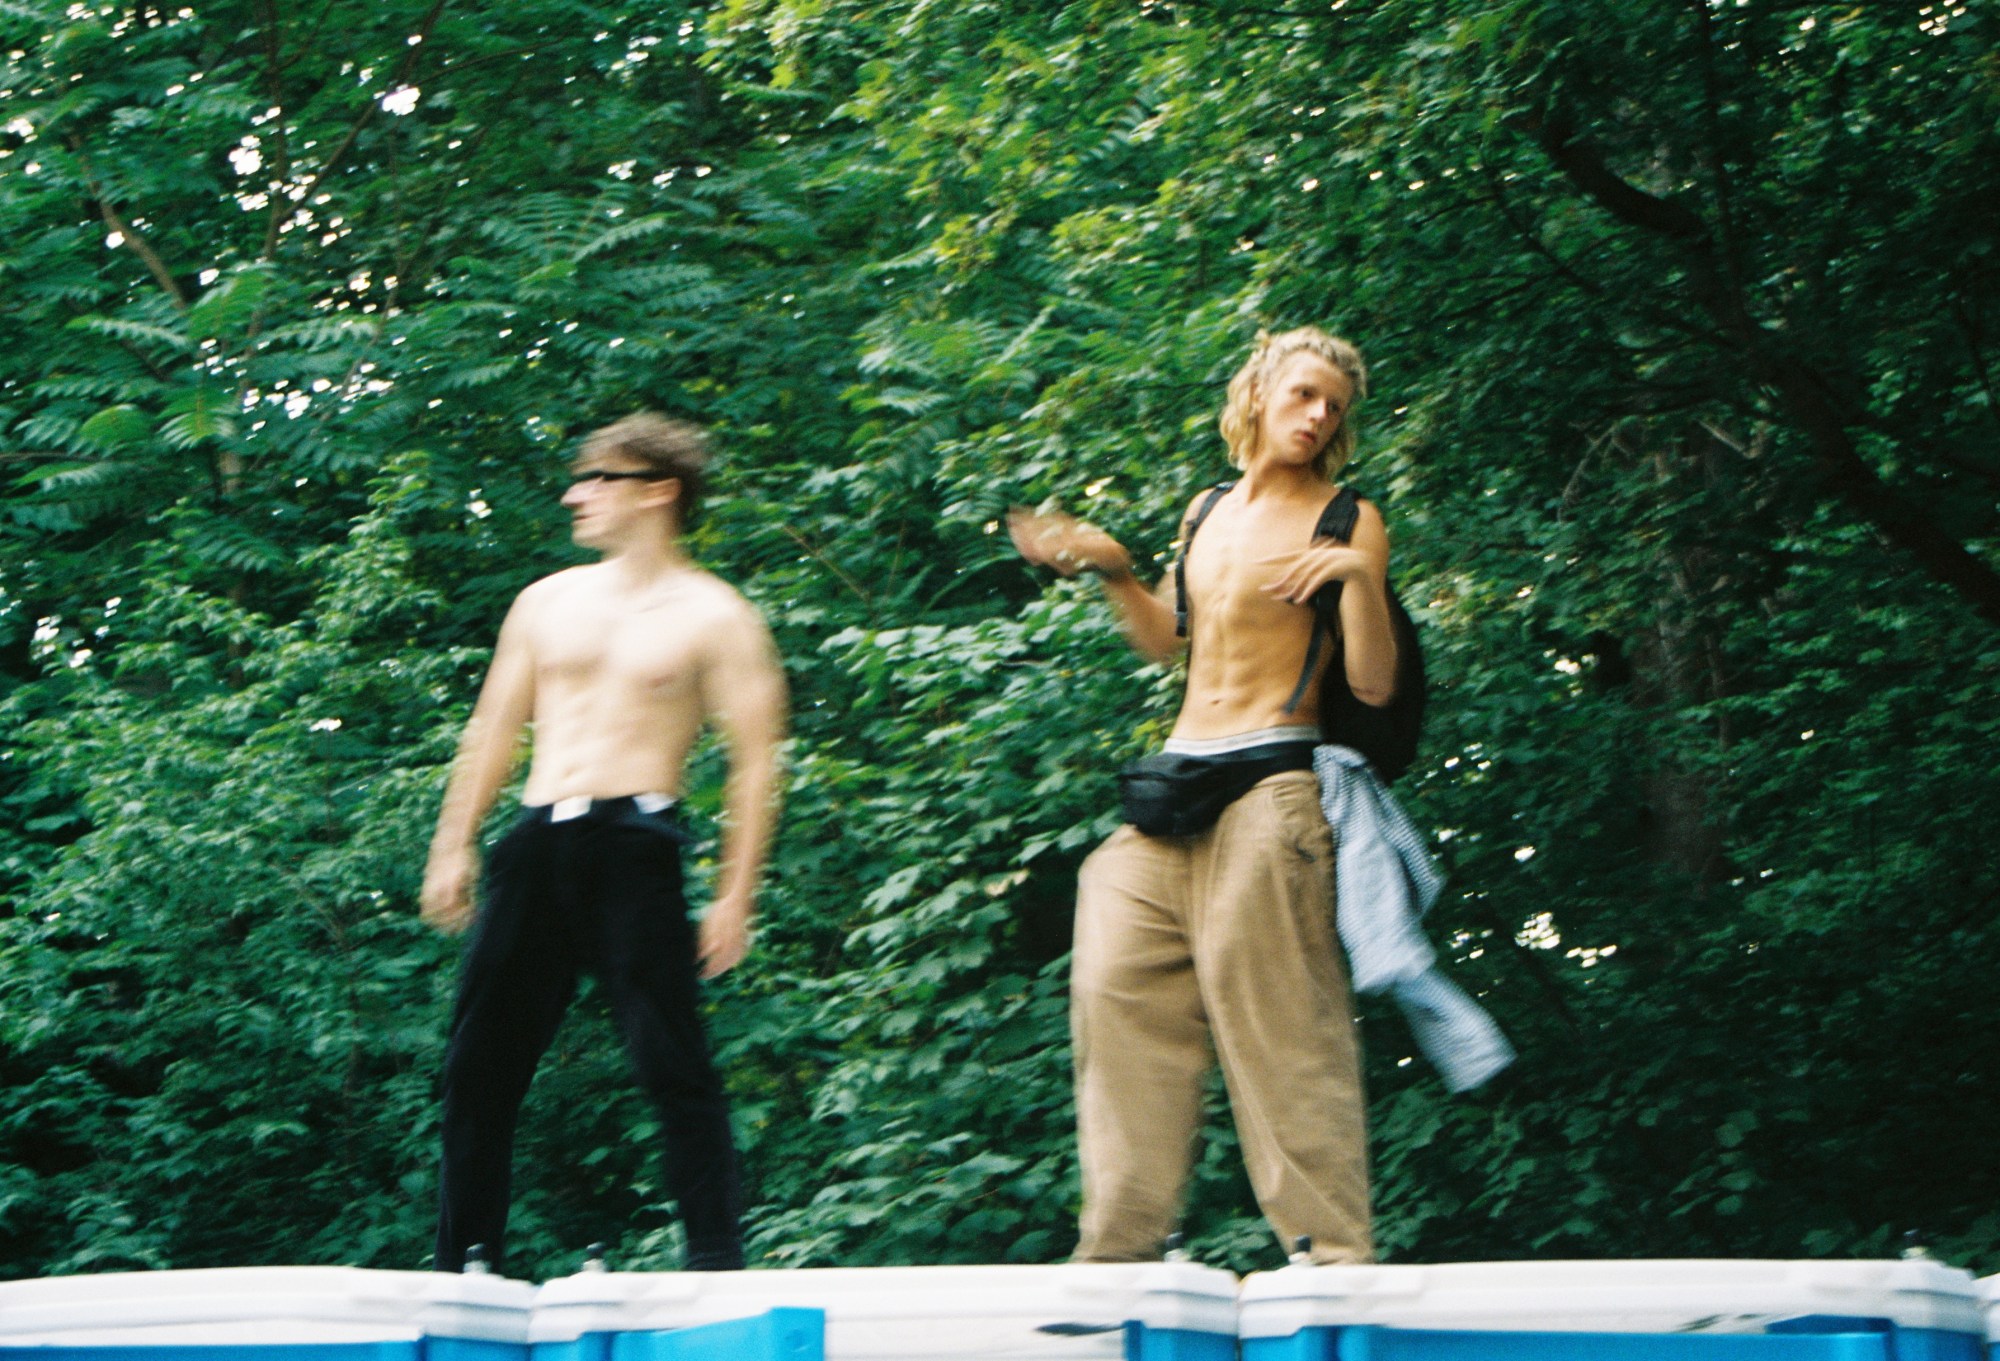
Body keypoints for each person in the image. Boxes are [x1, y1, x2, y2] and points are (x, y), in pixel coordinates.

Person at [1009, 327, 1395, 1265]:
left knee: (1275, 1022)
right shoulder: (1209, 508)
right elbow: (1168, 642)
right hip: (1173, 788)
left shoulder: (1348, 519)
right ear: (1259, 391)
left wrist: (1355, 580)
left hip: (1273, 785)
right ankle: (1122, 1255)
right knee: (1112, 987)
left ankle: (1332, 1257)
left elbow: (1376, 684)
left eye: (1334, 407)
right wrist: (1113, 571)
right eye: (1305, 395)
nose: (1318, 417)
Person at [420, 412, 787, 1274]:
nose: (575, 493)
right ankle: (464, 1260)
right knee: (477, 1065)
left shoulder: (717, 614)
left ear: (659, 490)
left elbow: (754, 762)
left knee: (670, 1062)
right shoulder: (546, 601)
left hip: (635, 841)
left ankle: (714, 1263)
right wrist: (454, 843)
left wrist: (735, 895)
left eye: (598, 478)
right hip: (538, 837)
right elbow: (492, 729)